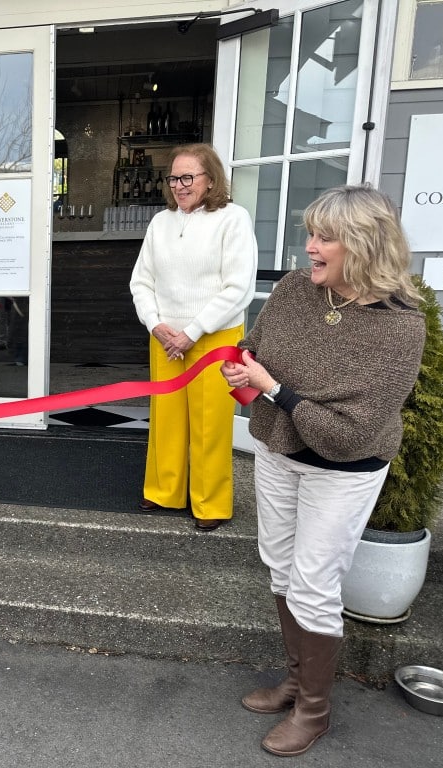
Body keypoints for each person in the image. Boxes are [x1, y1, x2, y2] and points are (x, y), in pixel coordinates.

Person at [221, 185, 424, 756]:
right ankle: (295, 679)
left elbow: (351, 433)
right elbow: (253, 348)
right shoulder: (292, 290)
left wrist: (273, 389)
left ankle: (315, 710)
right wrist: (240, 369)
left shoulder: (400, 329)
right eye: (310, 233)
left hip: (345, 469)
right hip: (279, 451)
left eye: (324, 238)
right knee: (280, 568)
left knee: (314, 584)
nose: (310, 247)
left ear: (363, 245)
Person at [129, 143, 257, 530]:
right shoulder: (159, 223)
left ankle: (211, 503)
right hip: (166, 337)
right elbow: (141, 281)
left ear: (211, 179)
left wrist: (192, 331)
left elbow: (238, 288)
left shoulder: (233, 219)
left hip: (216, 336)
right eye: (173, 178)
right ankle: (165, 490)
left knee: (210, 423)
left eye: (188, 177)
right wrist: (155, 324)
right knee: (166, 418)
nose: (179, 186)